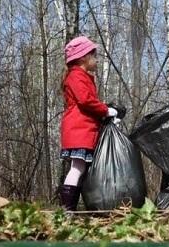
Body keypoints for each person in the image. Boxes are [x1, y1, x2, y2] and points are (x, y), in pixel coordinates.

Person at [58, 36, 125, 211]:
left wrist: (105, 116)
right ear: (82, 58)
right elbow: (86, 101)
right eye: (93, 56)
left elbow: (88, 104)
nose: (96, 59)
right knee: (77, 168)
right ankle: (67, 210)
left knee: (80, 169)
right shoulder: (75, 77)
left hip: (84, 130)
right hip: (79, 131)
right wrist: (106, 111)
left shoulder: (81, 77)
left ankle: (70, 209)